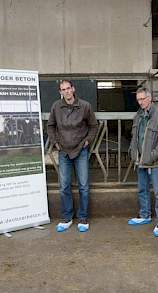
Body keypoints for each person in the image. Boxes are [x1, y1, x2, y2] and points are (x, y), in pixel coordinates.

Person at [47, 80, 98, 233]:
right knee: (64, 187)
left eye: (68, 88)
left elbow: (93, 126)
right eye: (63, 89)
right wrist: (55, 142)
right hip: (63, 151)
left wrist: (87, 141)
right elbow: (50, 126)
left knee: (83, 186)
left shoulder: (85, 106)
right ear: (60, 92)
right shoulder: (56, 106)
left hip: (81, 150)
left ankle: (83, 218)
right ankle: (67, 218)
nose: (67, 91)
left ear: (73, 89)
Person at [128, 87, 158, 237]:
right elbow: (134, 137)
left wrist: (151, 155)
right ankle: (145, 215)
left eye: (143, 99)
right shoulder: (138, 116)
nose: (140, 102)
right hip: (140, 160)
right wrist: (134, 153)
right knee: (142, 189)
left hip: (154, 162)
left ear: (149, 98)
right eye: (138, 99)